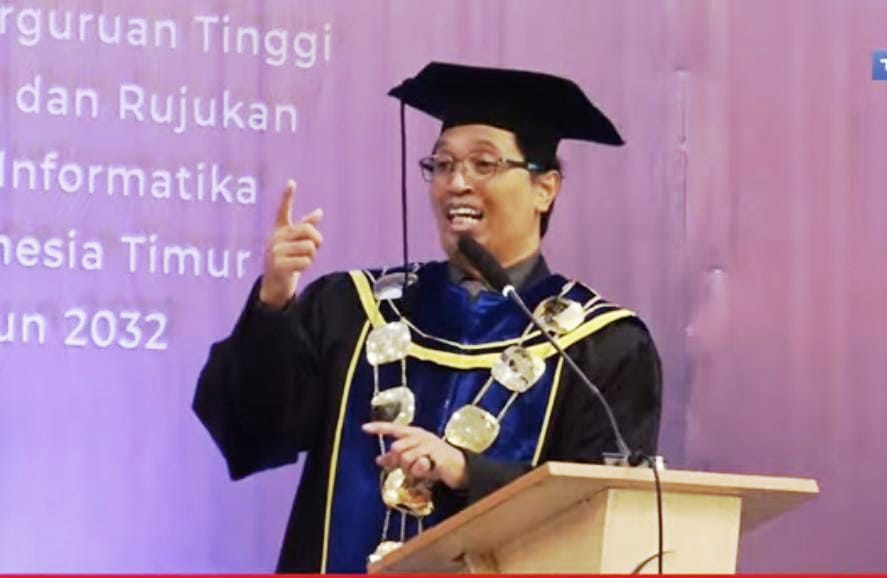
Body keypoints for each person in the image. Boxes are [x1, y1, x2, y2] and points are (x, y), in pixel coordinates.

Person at [193, 62, 662, 573]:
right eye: (442, 164)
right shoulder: (352, 309)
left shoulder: (599, 344)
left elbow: (601, 514)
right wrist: (273, 303)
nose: (456, 182)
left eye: (483, 164)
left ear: (544, 189)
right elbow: (254, 433)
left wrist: (468, 473)